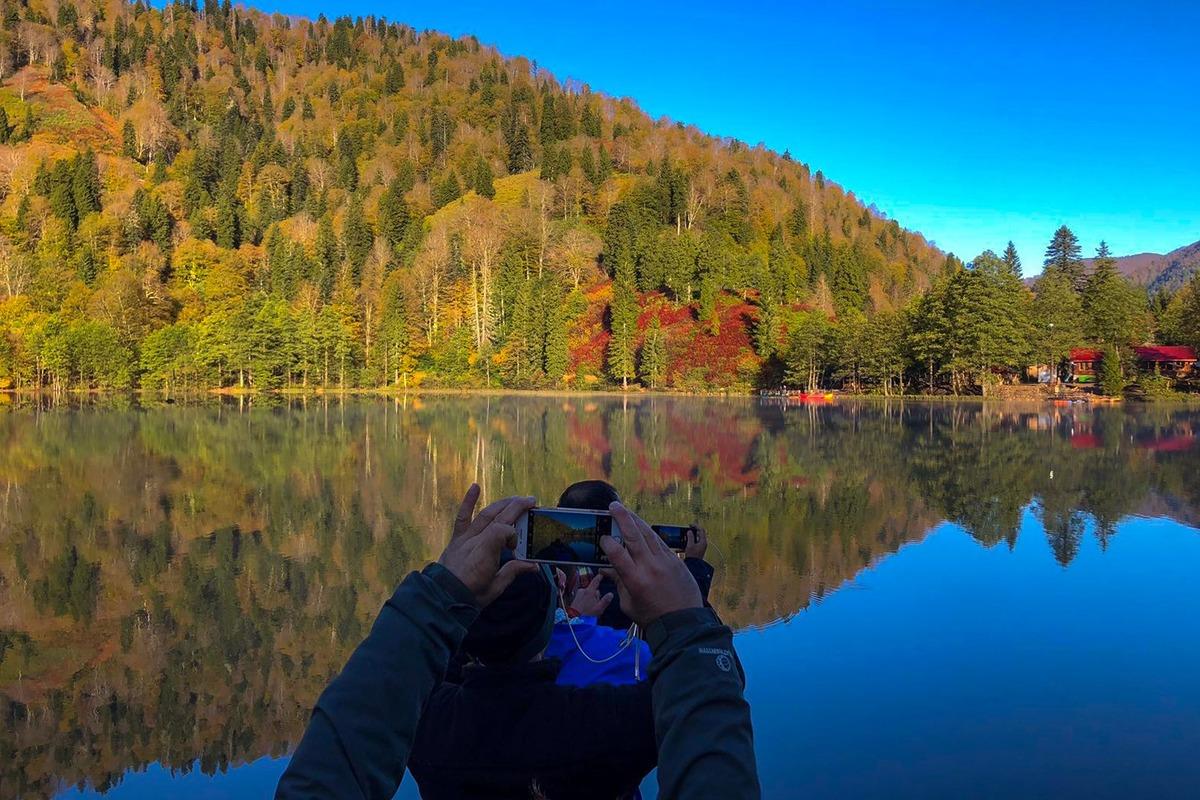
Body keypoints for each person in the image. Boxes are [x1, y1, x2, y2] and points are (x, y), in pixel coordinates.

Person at [275, 484, 759, 800]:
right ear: (547, 627)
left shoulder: (428, 724)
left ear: (467, 635)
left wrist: (446, 595)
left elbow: (380, 698)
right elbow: (703, 703)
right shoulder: (613, 725)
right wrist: (686, 604)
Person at [406, 560, 656, 799]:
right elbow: (686, 687)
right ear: (549, 621)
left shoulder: (424, 724)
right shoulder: (609, 723)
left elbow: (417, 655)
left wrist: (462, 592)